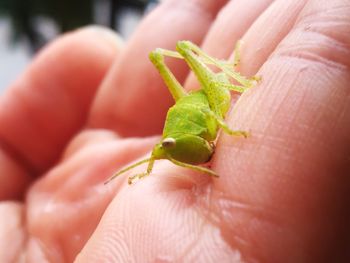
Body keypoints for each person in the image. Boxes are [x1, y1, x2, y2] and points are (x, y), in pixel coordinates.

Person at [0, 0, 349, 262]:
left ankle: (225, 67)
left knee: (175, 54)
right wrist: (149, 166)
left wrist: (226, 111)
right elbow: (162, 148)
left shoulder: (199, 119)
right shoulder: (169, 146)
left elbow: (190, 126)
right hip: (184, 123)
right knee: (165, 138)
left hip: (207, 104)